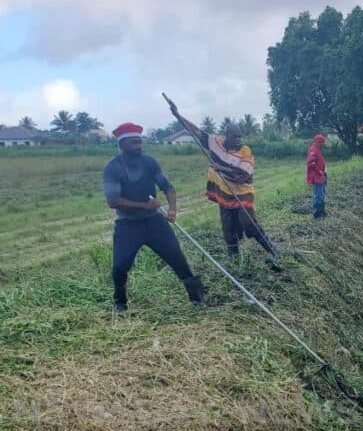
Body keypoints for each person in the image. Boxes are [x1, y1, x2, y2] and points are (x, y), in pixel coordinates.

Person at [103, 122, 205, 313]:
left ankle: (197, 298)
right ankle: (120, 303)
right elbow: (113, 201)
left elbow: (168, 187)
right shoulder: (112, 168)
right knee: (120, 266)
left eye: (140, 142)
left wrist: (173, 209)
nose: (138, 146)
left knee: (177, 258)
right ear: (122, 144)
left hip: (154, 221)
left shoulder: (149, 162)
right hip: (128, 225)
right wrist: (143, 205)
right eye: (134, 143)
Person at [166, 103, 263, 257]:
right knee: (228, 227)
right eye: (234, 137)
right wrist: (177, 115)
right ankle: (234, 257)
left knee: (248, 223)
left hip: (242, 192)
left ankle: (271, 249)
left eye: (239, 136)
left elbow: (244, 176)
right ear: (226, 135)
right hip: (224, 192)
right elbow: (196, 131)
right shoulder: (215, 142)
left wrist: (222, 168)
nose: (238, 140)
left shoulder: (245, 150)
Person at [306, 134, 327, 218]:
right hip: (316, 176)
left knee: (321, 194)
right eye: (320, 142)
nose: (322, 144)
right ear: (316, 142)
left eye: (322, 143)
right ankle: (317, 214)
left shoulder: (317, 149)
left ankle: (322, 211)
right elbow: (311, 163)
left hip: (321, 176)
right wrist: (319, 171)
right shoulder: (313, 150)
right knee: (317, 195)